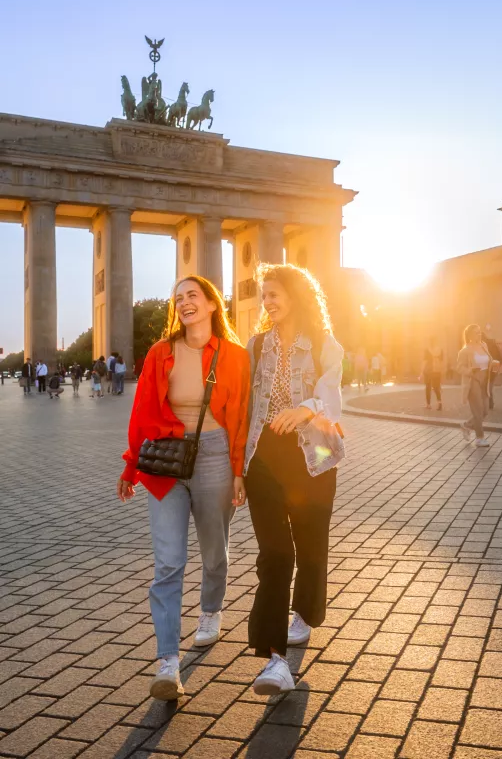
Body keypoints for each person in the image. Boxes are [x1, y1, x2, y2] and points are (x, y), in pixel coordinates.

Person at [117, 275, 250, 701]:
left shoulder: (235, 356)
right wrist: (130, 466)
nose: (184, 303)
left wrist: (238, 471)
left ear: (212, 304)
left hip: (214, 455)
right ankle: (168, 664)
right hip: (166, 461)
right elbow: (141, 413)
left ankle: (210, 611)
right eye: (178, 298)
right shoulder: (160, 353)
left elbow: (242, 417)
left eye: (193, 295)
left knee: (214, 551)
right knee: (169, 563)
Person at [244, 263, 344, 696]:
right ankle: (274, 660)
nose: (268, 300)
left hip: (313, 453)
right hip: (263, 457)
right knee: (275, 553)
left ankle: (305, 611)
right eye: (264, 294)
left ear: (296, 295)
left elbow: (333, 397)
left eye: (274, 293)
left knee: (311, 545)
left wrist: (304, 408)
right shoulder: (256, 344)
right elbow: (244, 403)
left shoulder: (325, 343)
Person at [457, 324, 500, 448]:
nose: (479, 334)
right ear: (470, 335)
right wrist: (470, 370)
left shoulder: (484, 346)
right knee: (478, 411)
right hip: (473, 380)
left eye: (479, 332)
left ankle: (466, 425)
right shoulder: (465, 350)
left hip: (485, 381)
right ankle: (479, 438)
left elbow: (487, 360)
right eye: (476, 332)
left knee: (485, 410)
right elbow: (459, 367)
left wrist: (494, 363)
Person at [422, 337, 444, 410]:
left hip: (429, 370)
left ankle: (428, 405)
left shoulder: (427, 350)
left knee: (428, 387)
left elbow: (425, 361)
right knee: (436, 387)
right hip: (437, 370)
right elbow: (442, 361)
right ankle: (439, 402)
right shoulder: (440, 350)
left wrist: (422, 371)